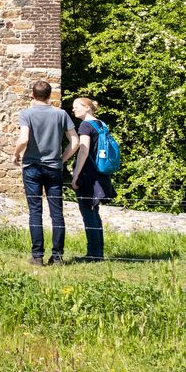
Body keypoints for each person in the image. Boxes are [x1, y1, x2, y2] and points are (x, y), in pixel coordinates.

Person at [13, 80, 77, 266]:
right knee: (57, 213)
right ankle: (57, 257)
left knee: (35, 211)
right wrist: (62, 159)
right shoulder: (61, 114)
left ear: (32, 95)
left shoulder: (26, 114)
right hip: (54, 168)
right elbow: (75, 141)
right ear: (50, 96)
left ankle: (37, 256)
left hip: (32, 167)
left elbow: (24, 138)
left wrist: (16, 154)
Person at [69, 97, 116, 262]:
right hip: (101, 174)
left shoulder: (85, 126)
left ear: (87, 108)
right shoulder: (101, 124)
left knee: (88, 213)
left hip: (88, 175)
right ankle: (98, 252)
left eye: (76, 107)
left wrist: (75, 176)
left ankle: (93, 254)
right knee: (94, 213)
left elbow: (83, 151)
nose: (73, 110)